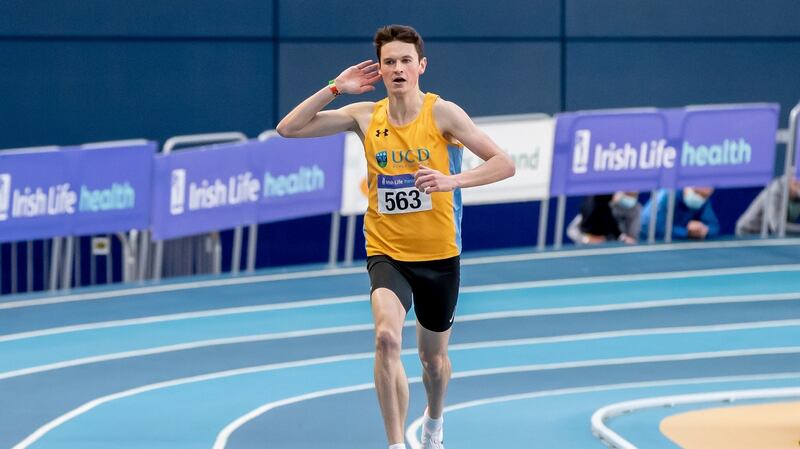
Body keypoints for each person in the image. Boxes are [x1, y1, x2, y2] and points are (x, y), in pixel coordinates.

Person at [276, 25, 515, 449]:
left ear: (421, 66)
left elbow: (503, 164)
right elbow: (288, 129)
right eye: (389, 62)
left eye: (406, 60)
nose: (398, 68)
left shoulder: (444, 114)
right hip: (387, 251)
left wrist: (451, 180)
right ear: (381, 70)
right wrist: (335, 87)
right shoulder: (365, 116)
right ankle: (394, 444)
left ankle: (434, 422)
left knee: (432, 361)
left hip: (439, 255)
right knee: (386, 338)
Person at [640, 187, 719, 240]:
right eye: (696, 192)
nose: (699, 198)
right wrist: (686, 232)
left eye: (704, 196)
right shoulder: (667, 196)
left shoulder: (703, 202)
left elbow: (714, 226)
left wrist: (704, 230)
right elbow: (655, 229)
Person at [736, 174, 800, 236]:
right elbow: (777, 226)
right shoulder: (776, 190)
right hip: (749, 233)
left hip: (769, 234)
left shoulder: (796, 194)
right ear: (794, 181)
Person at [566, 192, 641, 245]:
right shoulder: (596, 205)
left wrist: (623, 239)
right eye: (628, 194)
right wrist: (587, 240)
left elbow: (632, 237)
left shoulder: (636, 209)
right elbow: (571, 231)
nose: (631, 198)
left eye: (634, 195)